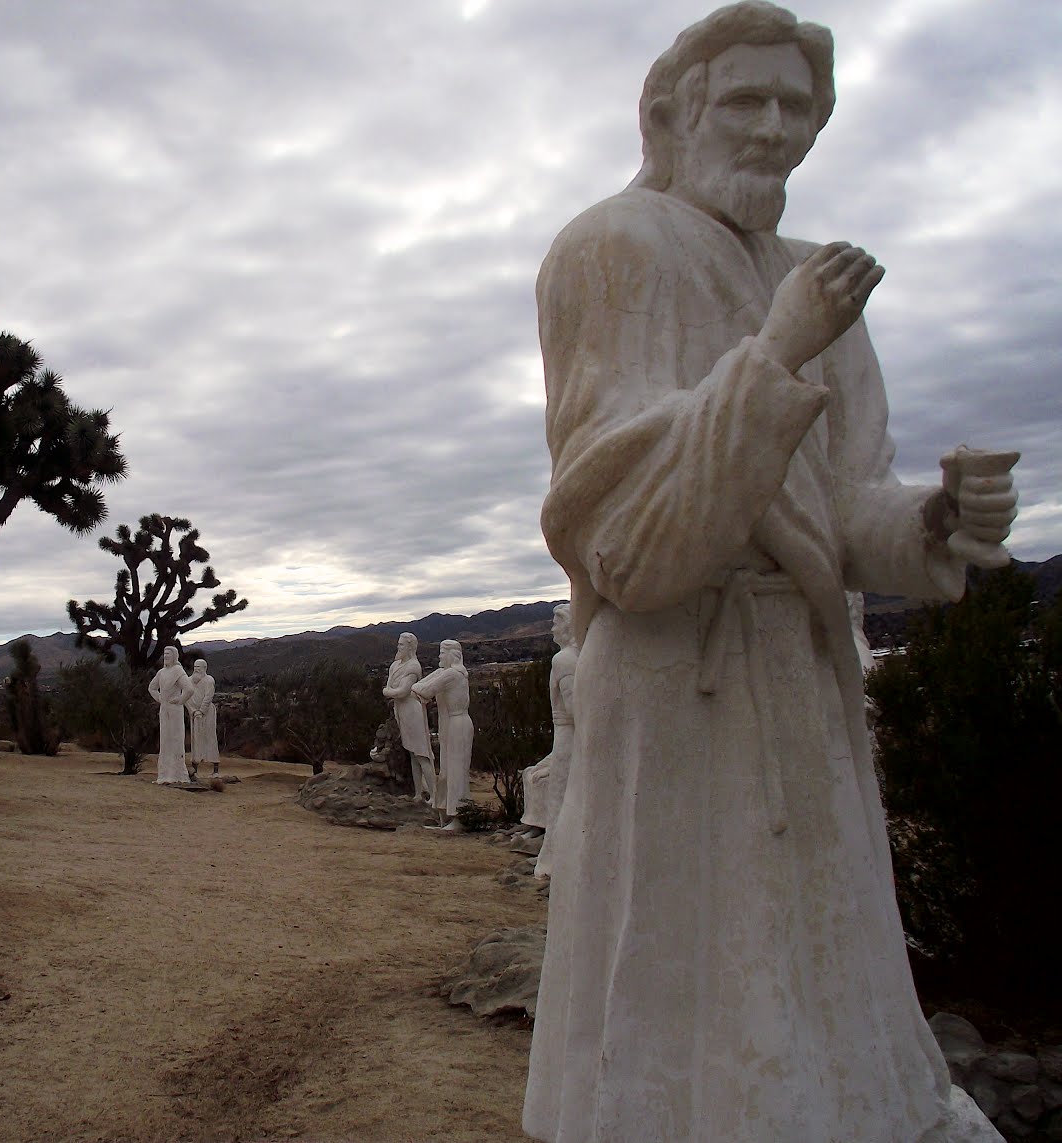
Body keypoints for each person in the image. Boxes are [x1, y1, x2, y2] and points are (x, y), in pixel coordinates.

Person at [524, 4, 1016, 1140]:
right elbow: (626, 541)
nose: (771, 129)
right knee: (682, 973)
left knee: (814, 958)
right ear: (674, 112)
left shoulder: (814, 282)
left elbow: (847, 504)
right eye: (743, 100)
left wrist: (933, 521)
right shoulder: (613, 246)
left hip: (799, 681)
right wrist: (776, 350)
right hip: (673, 686)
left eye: (795, 107)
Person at [519, 604, 577, 879]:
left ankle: (551, 860)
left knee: (559, 797)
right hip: (571, 735)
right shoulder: (574, 658)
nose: (552, 628)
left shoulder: (565, 659)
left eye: (556, 623)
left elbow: (576, 708)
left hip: (569, 736)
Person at [412, 639, 472, 831]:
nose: (439, 656)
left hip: (457, 724)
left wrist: (419, 685)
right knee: (447, 769)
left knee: (456, 771)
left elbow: (423, 689)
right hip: (449, 724)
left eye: (442, 653)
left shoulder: (453, 675)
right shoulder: (449, 673)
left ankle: (460, 816)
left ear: (452, 655)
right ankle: (448, 813)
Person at [382, 632, 436, 803]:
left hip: (413, 711)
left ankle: (435, 797)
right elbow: (391, 688)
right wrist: (390, 691)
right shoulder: (395, 665)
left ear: (410, 647)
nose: (398, 647)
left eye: (402, 645)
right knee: (413, 754)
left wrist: (388, 691)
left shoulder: (413, 667)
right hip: (402, 711)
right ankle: (419, 794)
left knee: (422, 754)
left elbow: (401, 691)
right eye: (398, 644)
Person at [147, 647, 191, 785]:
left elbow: (189, 689)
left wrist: (180, 700)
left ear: (174, 656)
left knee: (176, 740)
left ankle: (177, 774)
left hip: (175, 711)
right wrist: (160, 699)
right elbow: (151, 687)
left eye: (168, 654)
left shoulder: (178, 671)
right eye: (164, 653)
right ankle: (164, 774)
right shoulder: (161, 672)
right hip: (164, 709)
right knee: (165, 741)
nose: (165, 656)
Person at [184, 659, 219, 780]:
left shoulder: (209, 680)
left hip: (207, 713)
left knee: (210, 738)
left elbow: (209, 696)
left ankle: (215, 769)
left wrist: (201, 710)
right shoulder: (188, 681)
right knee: (196, 740)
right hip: (195, 715)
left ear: (205, 668)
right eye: (195, 666)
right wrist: (193, 711)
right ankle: (195, 769)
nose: (197, 669)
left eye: (199, 666)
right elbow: (186, 697)